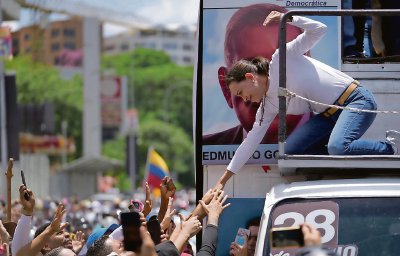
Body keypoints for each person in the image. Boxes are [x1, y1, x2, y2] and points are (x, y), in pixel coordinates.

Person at [215, 11, 399, 188]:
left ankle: (391, 147)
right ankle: (340, 155)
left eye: (240, 92)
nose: (243, 99)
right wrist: (222, 181)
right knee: (290, 151)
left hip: (356, 100)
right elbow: (249, 143)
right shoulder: (267, 107)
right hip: (329, 117)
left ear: (250, 77)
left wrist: (289, 18)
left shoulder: (282, 57)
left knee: (338, 147)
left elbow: (319, 29)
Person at [203, 3, 311, 146]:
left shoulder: (339, 144)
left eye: (284, 63)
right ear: (226, 88)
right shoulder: (208, 146)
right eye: (252, 67)